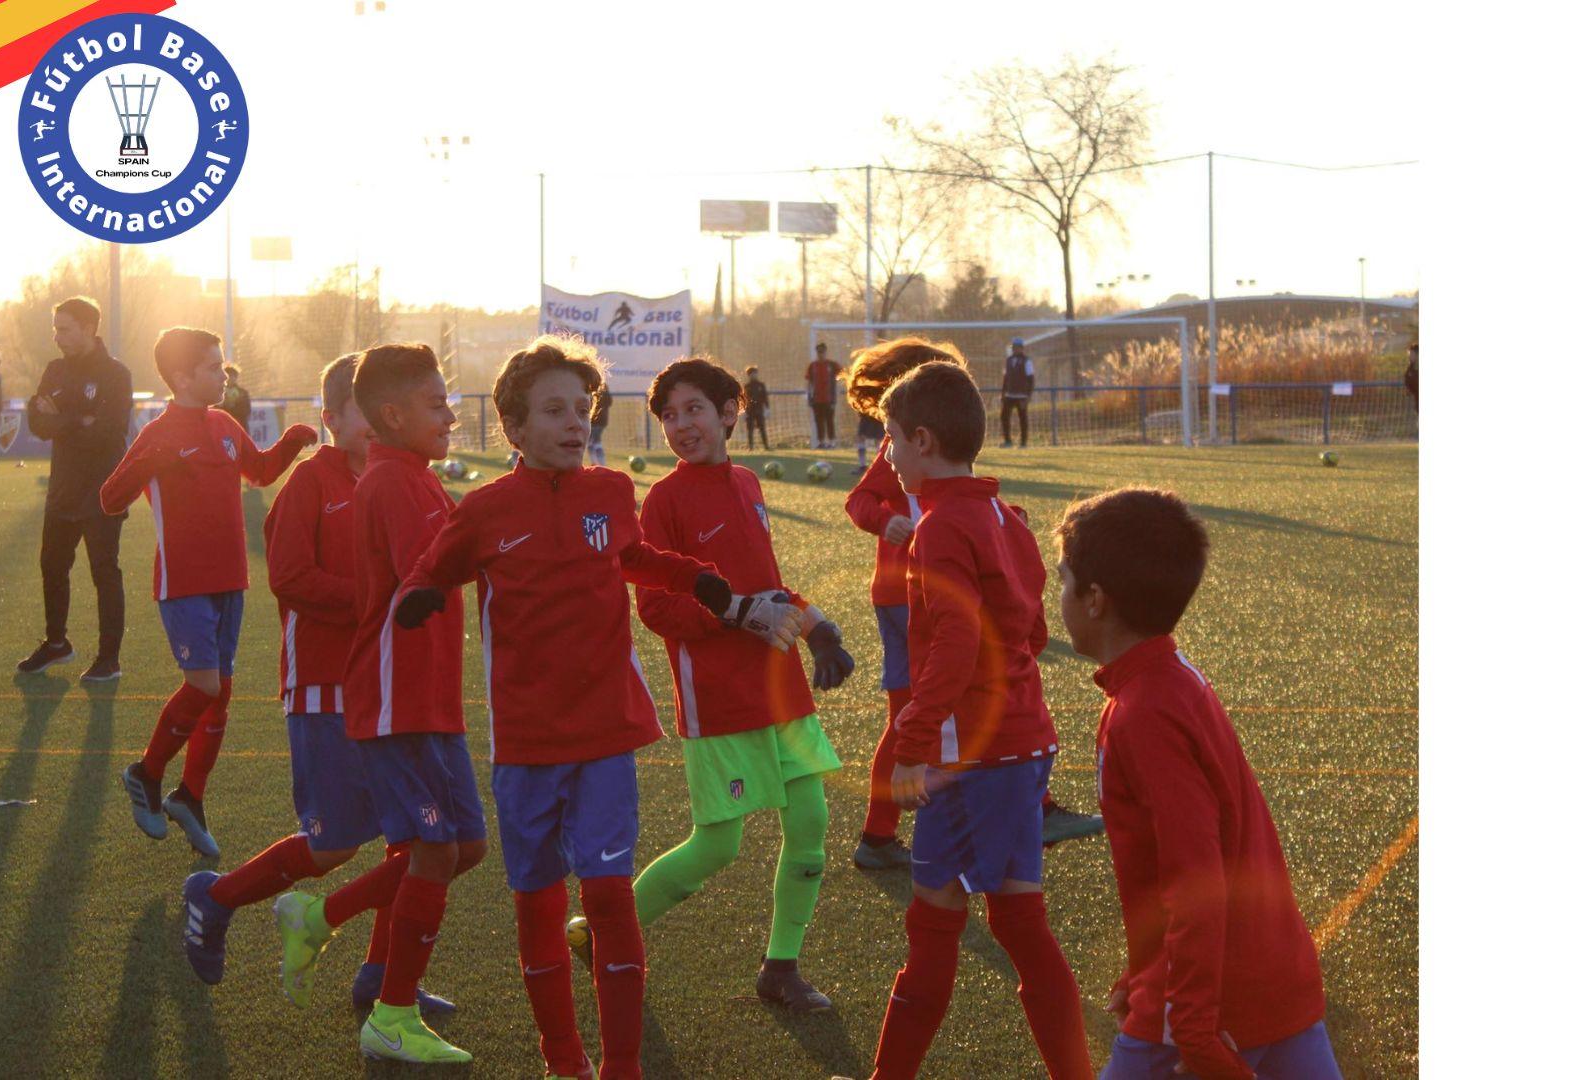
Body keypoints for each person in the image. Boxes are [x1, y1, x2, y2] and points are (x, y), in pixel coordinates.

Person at [392, 338, 736, 1080]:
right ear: (514, 428)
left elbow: (634, 556)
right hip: (525, 747)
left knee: (610, 898)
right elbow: (436, 567)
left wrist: (694, 576)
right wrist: (422, 594)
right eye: (554, 411)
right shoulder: (483, 510)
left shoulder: (610, 492)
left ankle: (621, 1066)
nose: (575, 423)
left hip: (606, 734)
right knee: (538, 907)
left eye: (583, 410)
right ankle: (563, 1059)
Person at [173, 353, 452, 1016]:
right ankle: (216, 897)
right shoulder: (310, 483)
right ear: (330, 418)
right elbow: (290, 577)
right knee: (333, 843)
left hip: (391, 691)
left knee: (415, 841)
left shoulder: (404, 480)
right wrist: (375, 599)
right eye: (362, 411)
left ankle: (383, 981)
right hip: (325, 689)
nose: (379, 422)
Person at [1053, 489, 1339, 1080]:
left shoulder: (1145, 713)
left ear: (1096, 600)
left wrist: (1191, 1028)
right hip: (1273, 975)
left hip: (1207, 1005)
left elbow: (1196, 877)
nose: (1056, 599)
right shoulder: (1173, 678)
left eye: (1062, 581)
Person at [864, 359, 1092, 1080]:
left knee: (967, 927)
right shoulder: (1004, 515)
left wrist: (913, 741)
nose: (886, 455)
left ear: (923, 441)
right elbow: (1027, 629)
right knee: (982, 923)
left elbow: (956, 644)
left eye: (890, 439)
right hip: (1022, 744)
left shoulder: (936, 528)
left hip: (976, 758)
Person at [629, 356, 856, 1014]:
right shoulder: (664, 501)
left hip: (781, 690)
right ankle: (604, 934)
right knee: (718, 846)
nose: (680, 425)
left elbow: (770, 583)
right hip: (719, 701)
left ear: (730, 412)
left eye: (694, 409)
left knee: (811, 823)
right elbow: (655, 607)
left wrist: (816, 628)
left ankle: (780, 968)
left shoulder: (750, 482)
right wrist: (736, 615)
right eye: (669, 416)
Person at [844, 339, 1102, 870]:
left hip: (982, 737)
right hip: (902, 595)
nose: (887, 451)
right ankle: (880, 831)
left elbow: (1005, 631)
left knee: (960, 896)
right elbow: (860, 501)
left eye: (891, 439)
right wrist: (885, 521)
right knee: (914, 711)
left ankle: (890, 828)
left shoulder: (972, 508)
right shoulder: (942, 490)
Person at [101, 327, 318, 860]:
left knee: (220, 693)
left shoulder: (223, 423)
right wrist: (152, 463)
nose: (223, 375)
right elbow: (110, 498)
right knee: (201, 686)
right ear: (181, 377)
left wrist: (290, 442)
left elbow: (260, 471)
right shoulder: (158, 432)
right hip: (184, 584)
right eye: (213, 368)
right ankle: (146, 772)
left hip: (231, 581)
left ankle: (190, 796)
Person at [342, 342, 488, 1065]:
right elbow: (431, 569)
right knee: (435, 846)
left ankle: (331, 919)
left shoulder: (416, 477)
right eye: (437, 403)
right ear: (393, 415)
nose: (452, 414)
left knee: (465, 847)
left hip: (430, 701)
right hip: (396, 699)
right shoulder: (395, 483)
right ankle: (393, 1010)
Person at [17, 297, 133, 682]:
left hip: (103, 490)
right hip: (63, 490)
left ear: (89, 328)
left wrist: (62, 419)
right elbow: (36, 421)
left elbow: (107, 432)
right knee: (52, 566)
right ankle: (56, 644)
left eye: (64, 328)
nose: (57, 336)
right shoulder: (54, 370)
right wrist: (77, 420)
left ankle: (109, 660)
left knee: (104, 571)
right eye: (55, 328)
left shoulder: (116, 374)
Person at [1000, 337, 1035, 449]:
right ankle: (1008, 441)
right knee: (1004, 416)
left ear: (1021, 348)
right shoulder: (1008, 360)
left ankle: (1023, 443)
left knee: (1023, 418)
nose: (1016, 349)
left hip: (1022, 395)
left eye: (1018, 347)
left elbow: (1031, 378)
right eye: (1014, 347)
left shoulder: (1027, 360)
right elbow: (1006, 378)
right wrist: (1003, 393)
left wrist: (1029, 395)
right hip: (1009, 395)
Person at [805, 342, 842, 448]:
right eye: (819, 352)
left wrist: (837, 391)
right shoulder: (813, 366)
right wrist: (808, 396)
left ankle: (832, 441)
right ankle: (821, 442)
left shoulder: (832, 365)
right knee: (819, 421)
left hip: (829, 398)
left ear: (826, 352)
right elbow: (808, 382)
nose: (821, 354)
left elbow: (841, 374)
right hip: (816, 398)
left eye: (823, 352)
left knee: (829, 420)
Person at [742, 364, 771, 450]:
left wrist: (767, 408)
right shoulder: (746, 386)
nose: (754, 375)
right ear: (749, 375)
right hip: (750, 410)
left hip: (759, 410)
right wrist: (744, 411)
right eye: (751, 373)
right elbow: (744, 399)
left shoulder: (761, 385)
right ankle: (751, 447)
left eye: (755, 373)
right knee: (750, 429)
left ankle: (766, 446)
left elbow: (765, 397)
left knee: (762, 428)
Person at [218, 363, 252, 428]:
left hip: (239, 426)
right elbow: (214, 409)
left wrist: (232, 406)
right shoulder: (217, 392)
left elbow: (246, 411)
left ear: (236, 377)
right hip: (222, 426)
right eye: (228, 375)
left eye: (233, 376)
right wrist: (224, 406)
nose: (230, 378)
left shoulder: (242, 393)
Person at [588, 382, 611, 467]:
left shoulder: (595, 393)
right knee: (595, 441)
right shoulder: (606, 393)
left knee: (592, 442)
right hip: (602, 421)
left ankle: (598, 463)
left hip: (595, 421)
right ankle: (599, 463)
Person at [1403, 343, 1418, 408]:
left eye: (1412, 354)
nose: (1409, 356)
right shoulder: (1409, 370)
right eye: (1409, 354)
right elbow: (1407, 383)